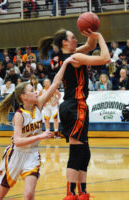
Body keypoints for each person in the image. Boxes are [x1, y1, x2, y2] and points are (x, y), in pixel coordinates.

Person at [0, 54, 76, 200]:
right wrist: (41, 136)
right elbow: (18, 141)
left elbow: (55, 83)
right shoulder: (19, 115)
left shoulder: (38, 104)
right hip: (16, 155)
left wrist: (65, 63)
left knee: (29, 194)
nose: (36, 92)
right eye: (32, 91)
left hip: (32, 154)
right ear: (24, 97)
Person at [38, 28, 110, 200]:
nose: (75, 39)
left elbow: (89, 45)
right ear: (64, 42)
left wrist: (91, 34)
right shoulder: (75, 58)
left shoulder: (72, 55)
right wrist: (100, 36)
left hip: (77, 106)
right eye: (72, 37)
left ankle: (82, 192)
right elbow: (105, 58)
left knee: (84, 152)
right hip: (74, 106)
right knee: (77, 152)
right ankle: (70, 193)